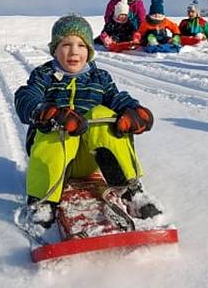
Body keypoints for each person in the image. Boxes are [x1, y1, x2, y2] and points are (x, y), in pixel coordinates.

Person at [14, 14, 161, 228]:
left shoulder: (99, 78)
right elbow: (26, 97)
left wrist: (134, 110)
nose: (74, 51)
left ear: (89, 51)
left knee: (102, 113)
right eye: (66, 44)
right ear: (55, 49)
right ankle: (42, 201)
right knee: (54, 127)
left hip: (90, 159)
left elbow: (117, 98)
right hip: (55, 163)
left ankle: (131, 190)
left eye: (81, 45)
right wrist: (47, 112)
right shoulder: (43, 75)